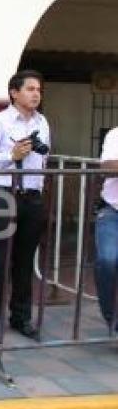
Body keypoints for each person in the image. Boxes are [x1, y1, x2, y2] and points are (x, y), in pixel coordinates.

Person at [0, 70, 50, 345]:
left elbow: (42, 159)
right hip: (4, 194)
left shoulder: (43, 122)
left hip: (32, 196)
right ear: (14, 93)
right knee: (0, 260)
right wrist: (10, 156)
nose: (35, 93)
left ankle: (20, 317)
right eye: (29, 88)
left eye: (38, 89)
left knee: (26, 260)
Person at [94, 126, 118, 331]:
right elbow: (107, 166)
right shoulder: (115, 134)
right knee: (107, 260)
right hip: (113, 211)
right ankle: (113, 319)